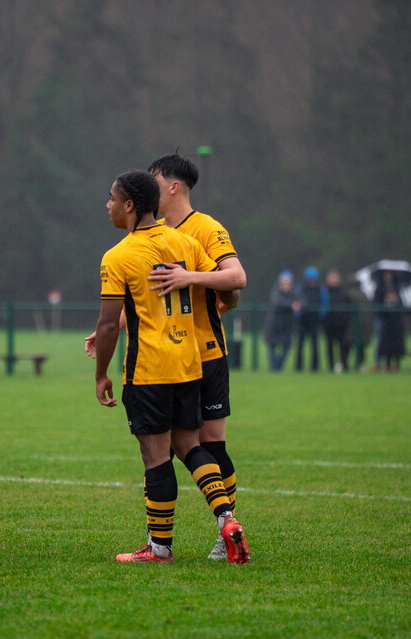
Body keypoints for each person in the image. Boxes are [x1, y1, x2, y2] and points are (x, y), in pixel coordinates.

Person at [92, 169, 249, 564]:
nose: (107, 206)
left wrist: (100, 373)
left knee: (156, 458)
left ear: (130, 205)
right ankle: (227, 519)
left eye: (111, 198)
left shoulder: (118, 256)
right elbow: (227, 288)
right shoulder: (183, 241)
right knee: (190, 446)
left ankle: (159, 549)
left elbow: (110, 322)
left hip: (148, 370)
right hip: (189, 365)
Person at [144, 153, 247, 561]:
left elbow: (236, 279)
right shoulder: (154, 232)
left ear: (172, 186)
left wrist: (191, 277)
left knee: (210, 445)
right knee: (161, 448)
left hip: (205, 354)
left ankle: (227, 530)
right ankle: (157, 539)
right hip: (167, 355)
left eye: (154, 179)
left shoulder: (205, 227)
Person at [265, 270, 299, 372]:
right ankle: (273, 368)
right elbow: (278, 302)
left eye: (288, 283)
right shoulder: (275, 293)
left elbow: (302, 301)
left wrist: (298, 304)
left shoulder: (294, 294)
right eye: (284, 282)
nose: (286, 285)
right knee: (272, 345)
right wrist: (291, 305)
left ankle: (278, 368)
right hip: (274, 324)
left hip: (287, 325)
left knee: (286, 346)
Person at [294, 266, 326, 372]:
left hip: (315, 320)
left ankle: (315, 368)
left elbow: (324, 304)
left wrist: (320, 316)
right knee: (300, 346)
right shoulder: (300, 289)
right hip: (302, 320)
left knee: (315, 346)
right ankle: (298, 367)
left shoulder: (320, 290)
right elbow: (296, 302)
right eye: (309, 278)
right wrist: (298, 314)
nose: (311, 280)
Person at [322, 268, 352, 373]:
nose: (333, 280)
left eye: (335, 277)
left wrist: (346, 318)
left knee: (343, 345)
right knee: (329, 346)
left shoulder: (344, 293)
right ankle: (331, 367)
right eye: (331, 277)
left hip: (341, 323)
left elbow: (350, 307)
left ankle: (344, 365)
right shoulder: (324, 292)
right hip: (328, 323)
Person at [377, 288, 405, 371]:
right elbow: (380, 315)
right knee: (387, 348)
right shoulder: (384, 306)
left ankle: (397, 365)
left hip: (397, 330)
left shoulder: (400, 306)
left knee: (397, 348)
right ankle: (388, 366)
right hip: (387, 330)